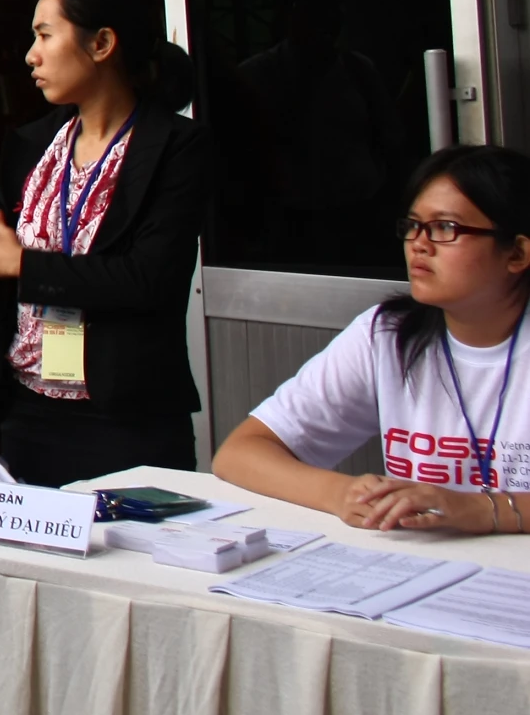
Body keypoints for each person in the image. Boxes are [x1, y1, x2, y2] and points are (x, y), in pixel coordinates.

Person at [0, 0, 211, 487]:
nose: (30, 55)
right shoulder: (30, 145)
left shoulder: (177, 148)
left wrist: (21, 264)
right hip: (29, 409)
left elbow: (148, 280)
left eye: (43, 35)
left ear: (102, 43)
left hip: (129, 418)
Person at [217, 145, 530, 533]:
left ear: (516, 253)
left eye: (446, 228)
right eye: (413, 225)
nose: (419, 243)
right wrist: (341, 494)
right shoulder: (388, 334)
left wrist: (482, 511)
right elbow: (238, 454)